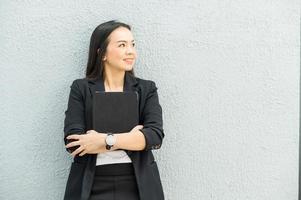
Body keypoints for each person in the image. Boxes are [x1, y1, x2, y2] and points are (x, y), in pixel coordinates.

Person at [63, 20, 165, 200]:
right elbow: (74, 143)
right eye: (122, 45)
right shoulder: (81, 88)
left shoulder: (146, 89)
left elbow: (154, 136)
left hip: (138, 184)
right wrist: (132, 138)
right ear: (102, 53)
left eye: (133, 44)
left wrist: (105, 140)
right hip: (92, 184)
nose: (130, 51)